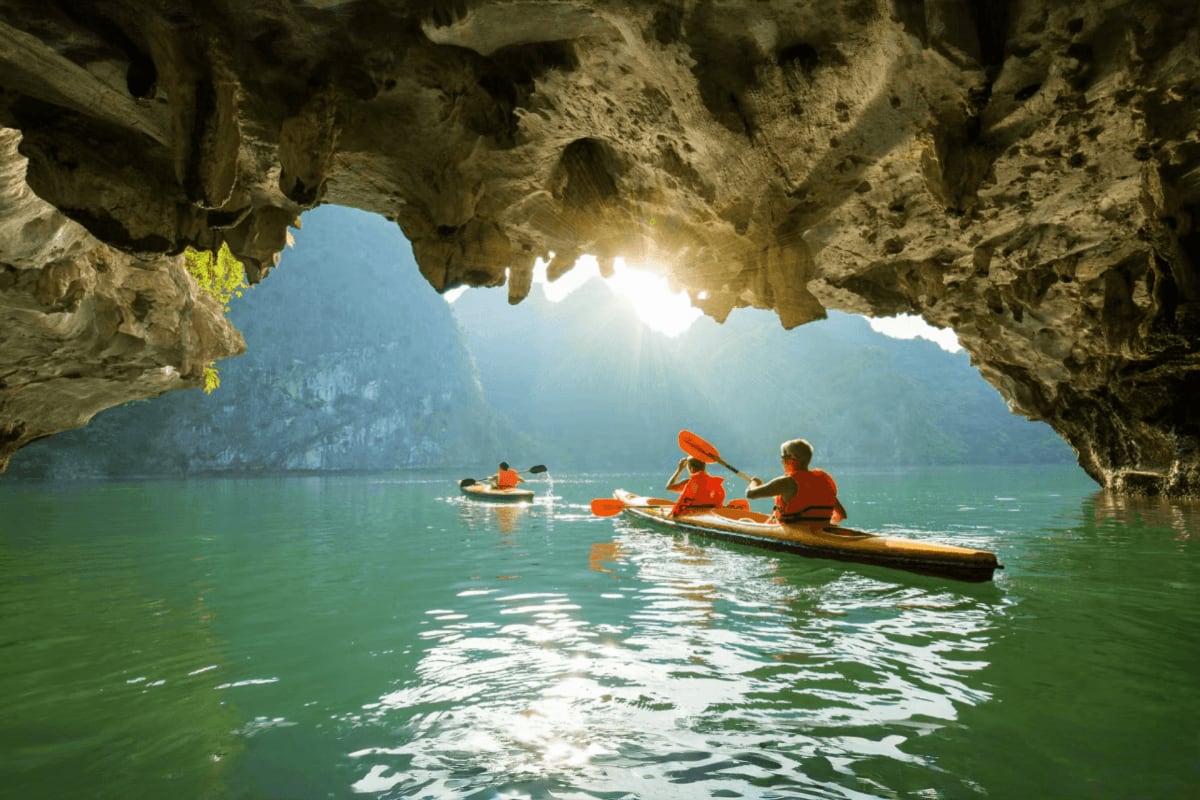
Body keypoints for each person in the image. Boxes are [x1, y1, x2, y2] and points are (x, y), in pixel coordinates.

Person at [746, 438, 847, 524]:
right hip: (817, 533)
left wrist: (754, 482)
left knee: (744, 520)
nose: (782, 462)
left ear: (792, 458)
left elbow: (750, 494)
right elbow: (842, 515)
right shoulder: (824, 482)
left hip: (793, 533)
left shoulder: (785, 482)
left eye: (783, 457)